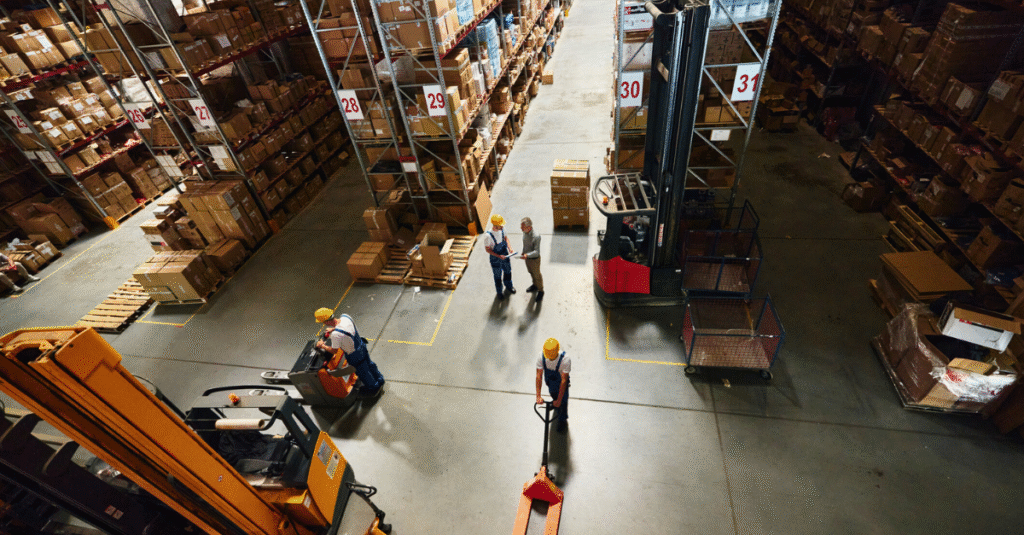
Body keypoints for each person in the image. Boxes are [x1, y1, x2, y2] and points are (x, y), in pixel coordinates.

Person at [314, 307, 385, 398]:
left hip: (354, 355)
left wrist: (322, 345)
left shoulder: (336, 335)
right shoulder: (345, 317)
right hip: (361, 345)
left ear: (326, 322)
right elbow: (346, 328)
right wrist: (333, 329)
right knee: (369, 364)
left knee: (363, 371)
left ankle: (373, 388)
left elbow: (334, 351)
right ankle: (380, 379)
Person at [535, 338, 570, 433]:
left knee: (563, 401)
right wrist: (538, 396)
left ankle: (562, 420)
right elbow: (539, 376)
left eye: (552, 357)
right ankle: (556, 403)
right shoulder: (541, 356)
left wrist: (559, 400)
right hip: (551, 382)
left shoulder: (565, 359)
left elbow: (563, 381)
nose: (549, 358)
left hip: (560, 382)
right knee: (553, 393)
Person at [484, 214, 516, 299]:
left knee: (508, 271)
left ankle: (509, 286)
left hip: (505, 254)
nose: (502, 226)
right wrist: (498, 256)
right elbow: (487, 249)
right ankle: (499, 292)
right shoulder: (488, 236)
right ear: (495, 225)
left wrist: (510, 247)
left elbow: (506, 238)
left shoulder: (502, 229)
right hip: (495, 258)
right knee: (497, 276)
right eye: (500, 225)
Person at [518, 217, 543, 301]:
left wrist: (527, 255)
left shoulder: (536, 236)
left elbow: (537, 252)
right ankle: (535, 285)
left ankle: (541, 290)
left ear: (529, 227)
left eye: (522, 227)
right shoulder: (525, 233)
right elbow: (525, 244)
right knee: (531, 272)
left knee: (537, 275)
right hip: (527, 258)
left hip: (534, 259)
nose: (521, 228)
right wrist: (523, 252)